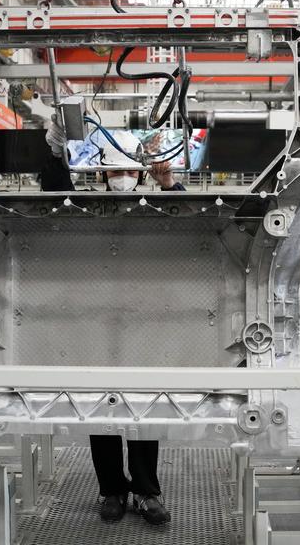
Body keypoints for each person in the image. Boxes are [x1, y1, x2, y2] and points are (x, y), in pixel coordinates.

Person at [42, 119, 179, 525]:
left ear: (141, 174)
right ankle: (112, 490)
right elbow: (54, 193)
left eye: (129, 171)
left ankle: (147, 492)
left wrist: (169, 183)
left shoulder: (154, 208)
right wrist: (55, 153)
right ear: (101, 174)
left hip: (144, 324)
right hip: (95, 324)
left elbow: (193, 218)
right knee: (100, 412)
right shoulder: (85, 208)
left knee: (144, 411)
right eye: (114, 171)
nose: (122, 178)